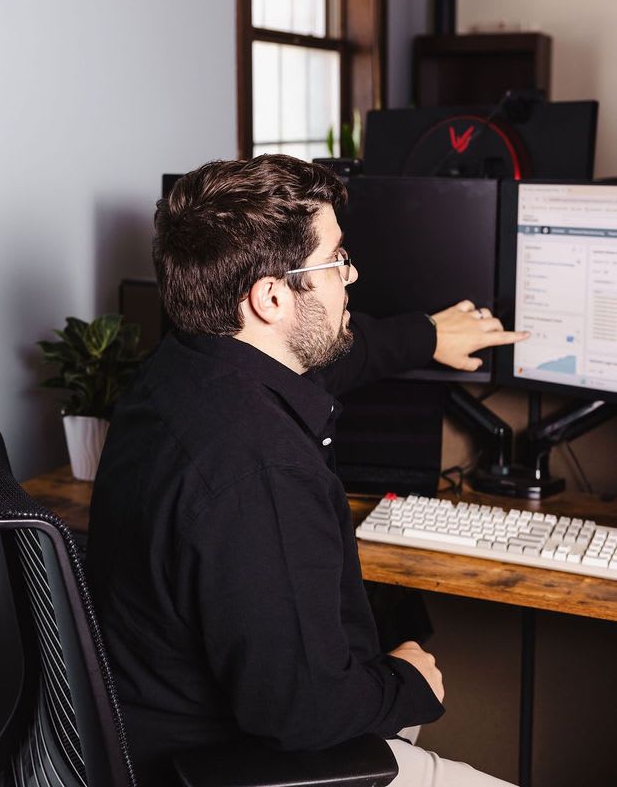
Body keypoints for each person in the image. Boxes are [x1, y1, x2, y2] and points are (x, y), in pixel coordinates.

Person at [87, 155, 524, 786]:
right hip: (238, 761)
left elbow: (327, 357)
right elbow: (301, 713)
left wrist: (427, 335)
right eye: (336, 260)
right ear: (271, 296)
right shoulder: (261, 473)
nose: (352, 275)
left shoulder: (177, 374)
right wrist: (405, 682)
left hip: (151, 719)